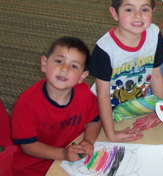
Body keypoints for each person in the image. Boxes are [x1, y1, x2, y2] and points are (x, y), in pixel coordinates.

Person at [88, 0, 163, 143]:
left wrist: (159, 109)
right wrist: (111, 134)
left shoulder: (153, 34)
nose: (138, 16)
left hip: (133, 104)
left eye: (144, 9)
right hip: (100, 108)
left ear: (153, 11)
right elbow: (102, 95)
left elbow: (157, 76)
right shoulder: (104, 49)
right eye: (129, 9)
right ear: (114, 13)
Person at [11, 37, 101, 176]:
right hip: (35, 167)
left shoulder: (83, 92)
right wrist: (62, 154)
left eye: (74, 66)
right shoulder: (27, 103)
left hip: (71, 162)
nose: (64, 69)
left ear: (82, 76)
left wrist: (88, 140)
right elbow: (28, 145)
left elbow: (94, 119)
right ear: (44, 64)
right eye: (59, 61)